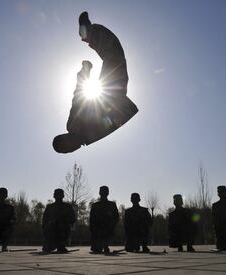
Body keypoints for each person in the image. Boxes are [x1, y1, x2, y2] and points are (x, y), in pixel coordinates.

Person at [53, 12, 138, 153]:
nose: (72, 148)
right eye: (69, 150)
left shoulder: (74, 126)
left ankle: (87, 32)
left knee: (113, 54)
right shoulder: (87, 138)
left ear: (65, 137)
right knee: (115, 55)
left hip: (109, 97)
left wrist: (84, 72)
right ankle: (87, 32)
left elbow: (78, 97)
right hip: (117, 101)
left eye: (67, 146)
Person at [42, 188, 76, 253]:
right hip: (51, 231)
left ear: (63, 196)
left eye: (59, 195)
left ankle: (60, 244)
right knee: (48, 247)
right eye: (56, 195)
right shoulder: (50, 207)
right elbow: (44, 222)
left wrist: (64, 221)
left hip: (63, 230)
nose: (58, 196)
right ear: (54, 196)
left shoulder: (67, 207)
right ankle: (51, 244)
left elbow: (72, 219)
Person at [89, 186, 119, 253]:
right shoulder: (95, 205)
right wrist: (93, 230)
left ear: (108, 193)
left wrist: (111, 226)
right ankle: (98, 244)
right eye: (102, 192)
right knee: (96, 249)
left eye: (105, 192)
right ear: (99, 193)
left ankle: (105, 244)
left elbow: (116, 217)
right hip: (97, 231)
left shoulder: (112, 205)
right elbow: (91, 220)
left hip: (108, 230)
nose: (103, 193)